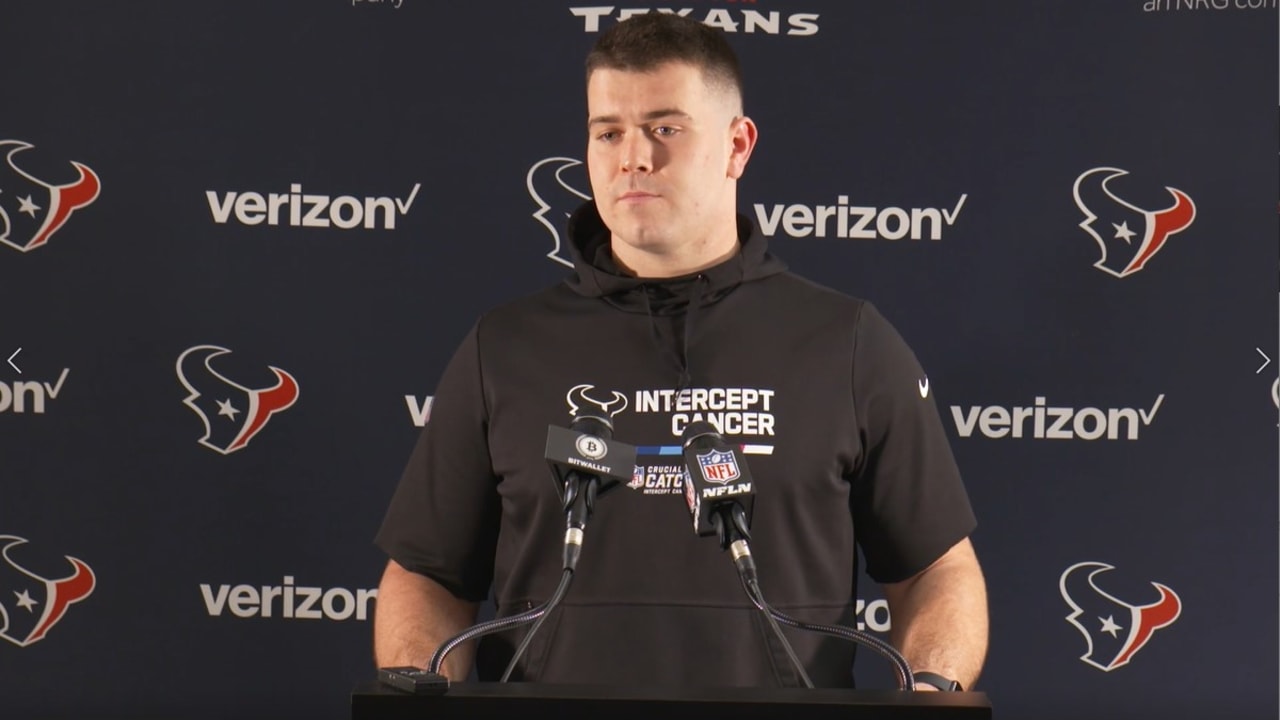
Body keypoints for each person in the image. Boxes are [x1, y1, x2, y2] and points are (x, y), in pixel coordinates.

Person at [373, 12, 987, 692]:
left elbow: (939, 569)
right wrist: (415, 686)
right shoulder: (505, 346)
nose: (634, 156)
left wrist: (933, 689)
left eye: (665, 128)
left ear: (736, 147)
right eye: (609, 132)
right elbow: (425, 575)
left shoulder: (846, 341)